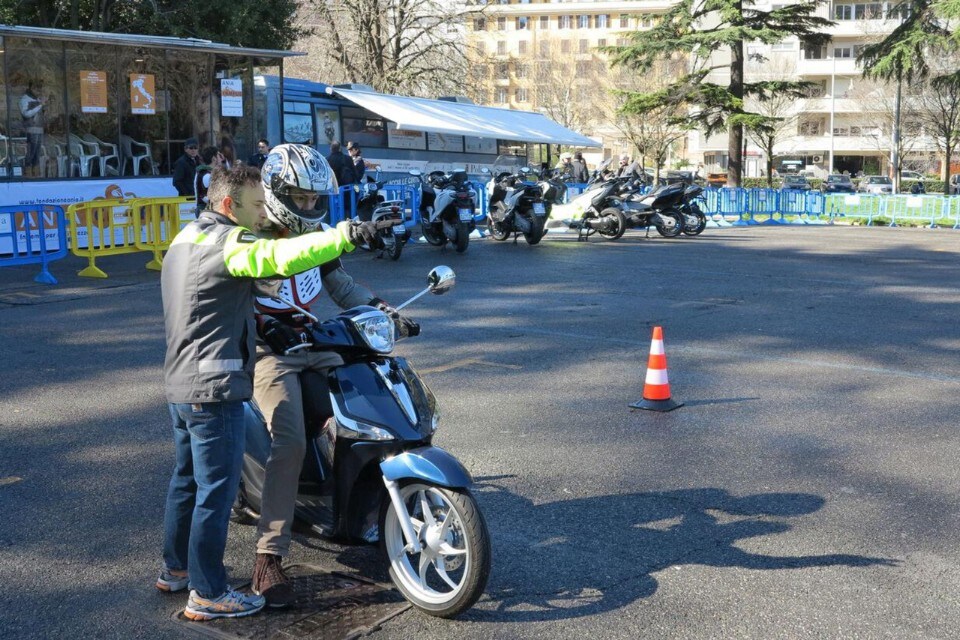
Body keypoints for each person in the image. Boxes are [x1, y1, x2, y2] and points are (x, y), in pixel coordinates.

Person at [157, 163, 379, 621]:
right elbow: (276, 261)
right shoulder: (232, 243)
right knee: (217, 491)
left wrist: (382, 310)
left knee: (187, 481)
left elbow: (213, 300)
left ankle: (175, 569)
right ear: (227, 205)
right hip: (217, 382)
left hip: (184, 378)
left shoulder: (186, 237)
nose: (263, 214)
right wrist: (347, 233)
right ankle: (217, 586)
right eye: (257, 205)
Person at [248, 144, 417, 607]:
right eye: (298, 199)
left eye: (313, 199)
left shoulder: (317, 235)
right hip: (269, 351)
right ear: (277, 192)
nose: (307, 207)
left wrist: (381, 308)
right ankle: (269, 556)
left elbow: (340, 286)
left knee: (370, 395)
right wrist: (267, 326)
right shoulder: (252, 237)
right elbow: (237, 297)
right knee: (290, 440)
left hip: (312, 341)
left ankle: (367, 501)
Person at [19, 81, 46, 178]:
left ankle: (36, 173)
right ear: (30, 88)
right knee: (31, 152)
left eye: (39, 88)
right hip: (30, 129)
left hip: (39, 129)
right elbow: (26, 113)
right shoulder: (25, 99)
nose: (38, 90)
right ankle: (28, 173)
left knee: (37, 153)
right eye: (35, 88)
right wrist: (40, 105)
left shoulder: (36, 100)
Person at [194, 146, 224, 214]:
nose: (221, 159)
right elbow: (204, 196)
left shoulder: (203, 172)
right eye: (219, 156)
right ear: (214, 158)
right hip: (206, 211)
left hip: (205, 210)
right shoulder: (207, 175)